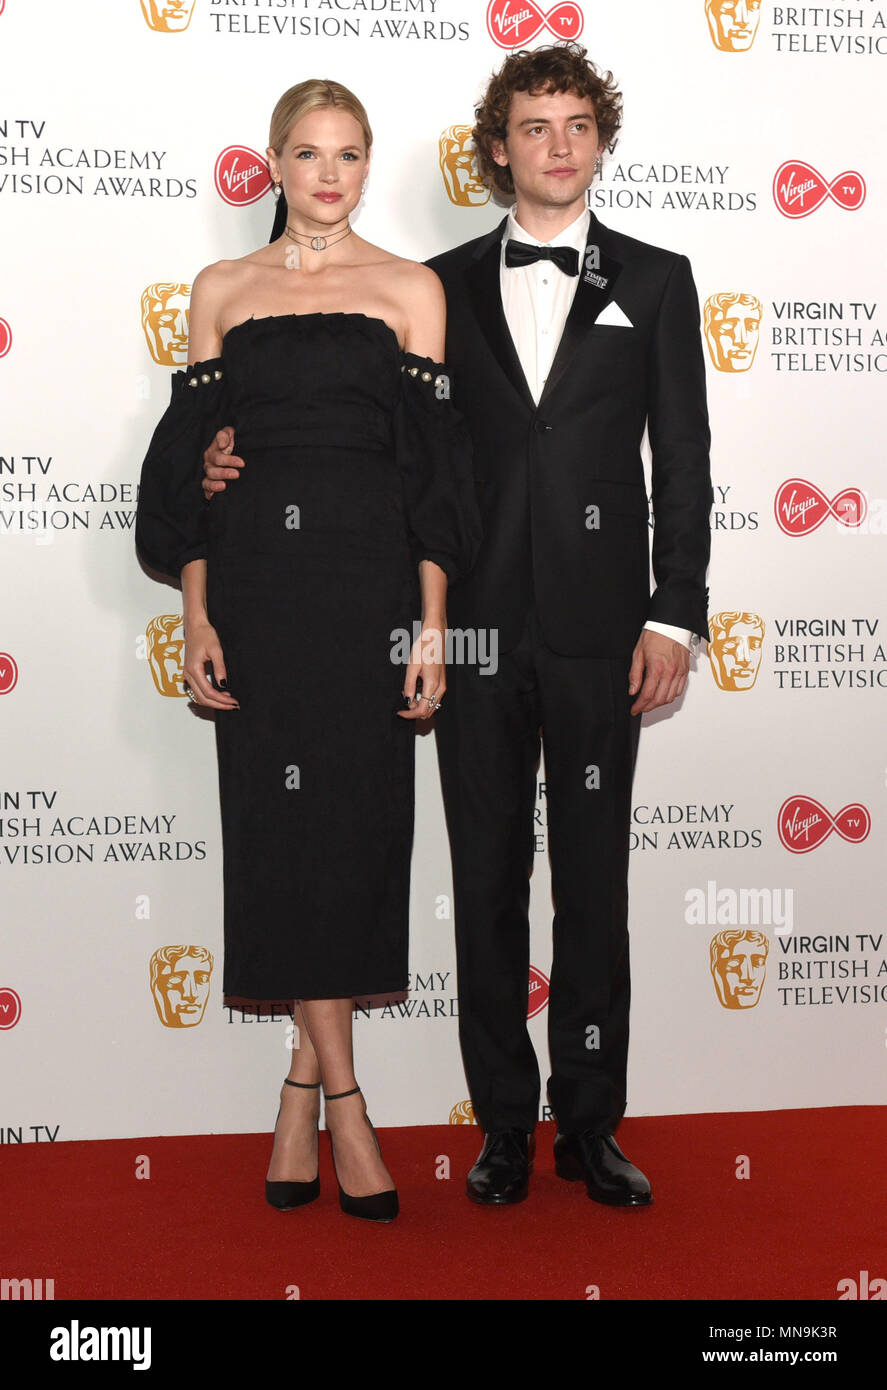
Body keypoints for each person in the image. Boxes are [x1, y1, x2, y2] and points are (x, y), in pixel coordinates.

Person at [203, 44, 713, 1208]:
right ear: (496, 146)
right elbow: (384, 464)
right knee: (484, 879)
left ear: (599, 138)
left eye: (576, 124)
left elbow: (680, 460)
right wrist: (226, 463)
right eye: (533, 126)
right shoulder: (429, 286)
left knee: (593, 883)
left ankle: (590, 1127)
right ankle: (499, 1129)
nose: (557, 145)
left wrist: (672, 616)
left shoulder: (659, 278)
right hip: (469, 633)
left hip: (600, 632)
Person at [135, 78, 480, 1224]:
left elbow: (433, 477)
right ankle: (345, 1100)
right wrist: (195, 611)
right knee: (281, 841)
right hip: (260, 596)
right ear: (272, 166)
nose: (326, 176)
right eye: (305, 154)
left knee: (354, 835)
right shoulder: (219, 292)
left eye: (346, 155)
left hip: (368, 592)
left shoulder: (409, 290)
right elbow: (192, 463)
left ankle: (302, 1090)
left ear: (367, 165)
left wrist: (431, 623)